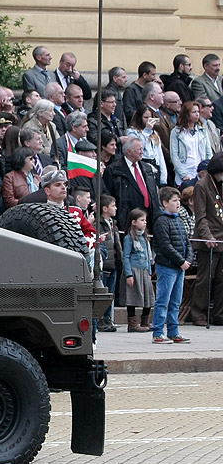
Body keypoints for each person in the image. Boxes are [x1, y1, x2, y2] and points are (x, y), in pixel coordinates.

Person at [151, 186, 193, 343]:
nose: (178, 204)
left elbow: (187, 242)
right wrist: (180, 261)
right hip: (167, 267)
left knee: (176, 301)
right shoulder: (161, 221)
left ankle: (173, 331)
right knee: (163, 300)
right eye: (174, 201)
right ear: (165, 203)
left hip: (179, 267)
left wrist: (187, 259)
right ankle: (157, 331)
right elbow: (165, 245)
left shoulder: (179, 220)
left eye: (179, 201)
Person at [190, 152, 223, 326]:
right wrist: (207, 236)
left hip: (222, 240)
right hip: (208, 241)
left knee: (221, 280)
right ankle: (198, 314)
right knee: (205, 279)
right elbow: (200, 217)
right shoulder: (202, 186)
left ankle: (219, 313)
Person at [103, 136, 161, 231]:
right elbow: (108, 195)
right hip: (128, 220)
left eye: (142, 149)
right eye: (139, 149)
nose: (142, 152)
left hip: (149, 219)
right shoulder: (113, 171)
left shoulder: (147, 169)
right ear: (129, 151)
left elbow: (153, 194)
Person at [121, 207, 153, 334]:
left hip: (144, 270)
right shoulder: (129, 238)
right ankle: (132, 324)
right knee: (132, 297)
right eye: (142, 220)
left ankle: (145, 321)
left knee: (148, 297)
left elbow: (148, 256)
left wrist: (149, 271)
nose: (145, 222)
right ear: (134, 222)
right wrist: (129, 274)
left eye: (145, 220)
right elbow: (126, 256)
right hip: (134, 270)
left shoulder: (144, 238)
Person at [169, 100, 212, 189]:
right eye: (194, 112)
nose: (197, 114)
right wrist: (183, 174)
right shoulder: (176, 132)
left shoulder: (202, 131)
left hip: (201, 172)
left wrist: (208, 169)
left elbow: (208, 152)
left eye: (198, 112)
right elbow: (174, 155)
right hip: (185, 172)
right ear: (186, 113)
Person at [98, 195, 126, 329]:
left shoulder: (113, 223)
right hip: (105, 264)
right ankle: (100, 318)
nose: (115, 208)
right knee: (102, 292)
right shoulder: (98, 223)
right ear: (104, 208)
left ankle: (108, 318)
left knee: (111, 293)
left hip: (114, 262)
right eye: (113, 206)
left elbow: (117, 243)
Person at [127, 106, 168, 185]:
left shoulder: (154, 133)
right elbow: (138, 146)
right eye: (146, 117)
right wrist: (146, 131)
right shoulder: (132, 132)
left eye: (150, 117)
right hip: (143, 163)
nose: (149, 120)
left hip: (155, 164)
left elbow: (160, 155)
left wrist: (164, 176)